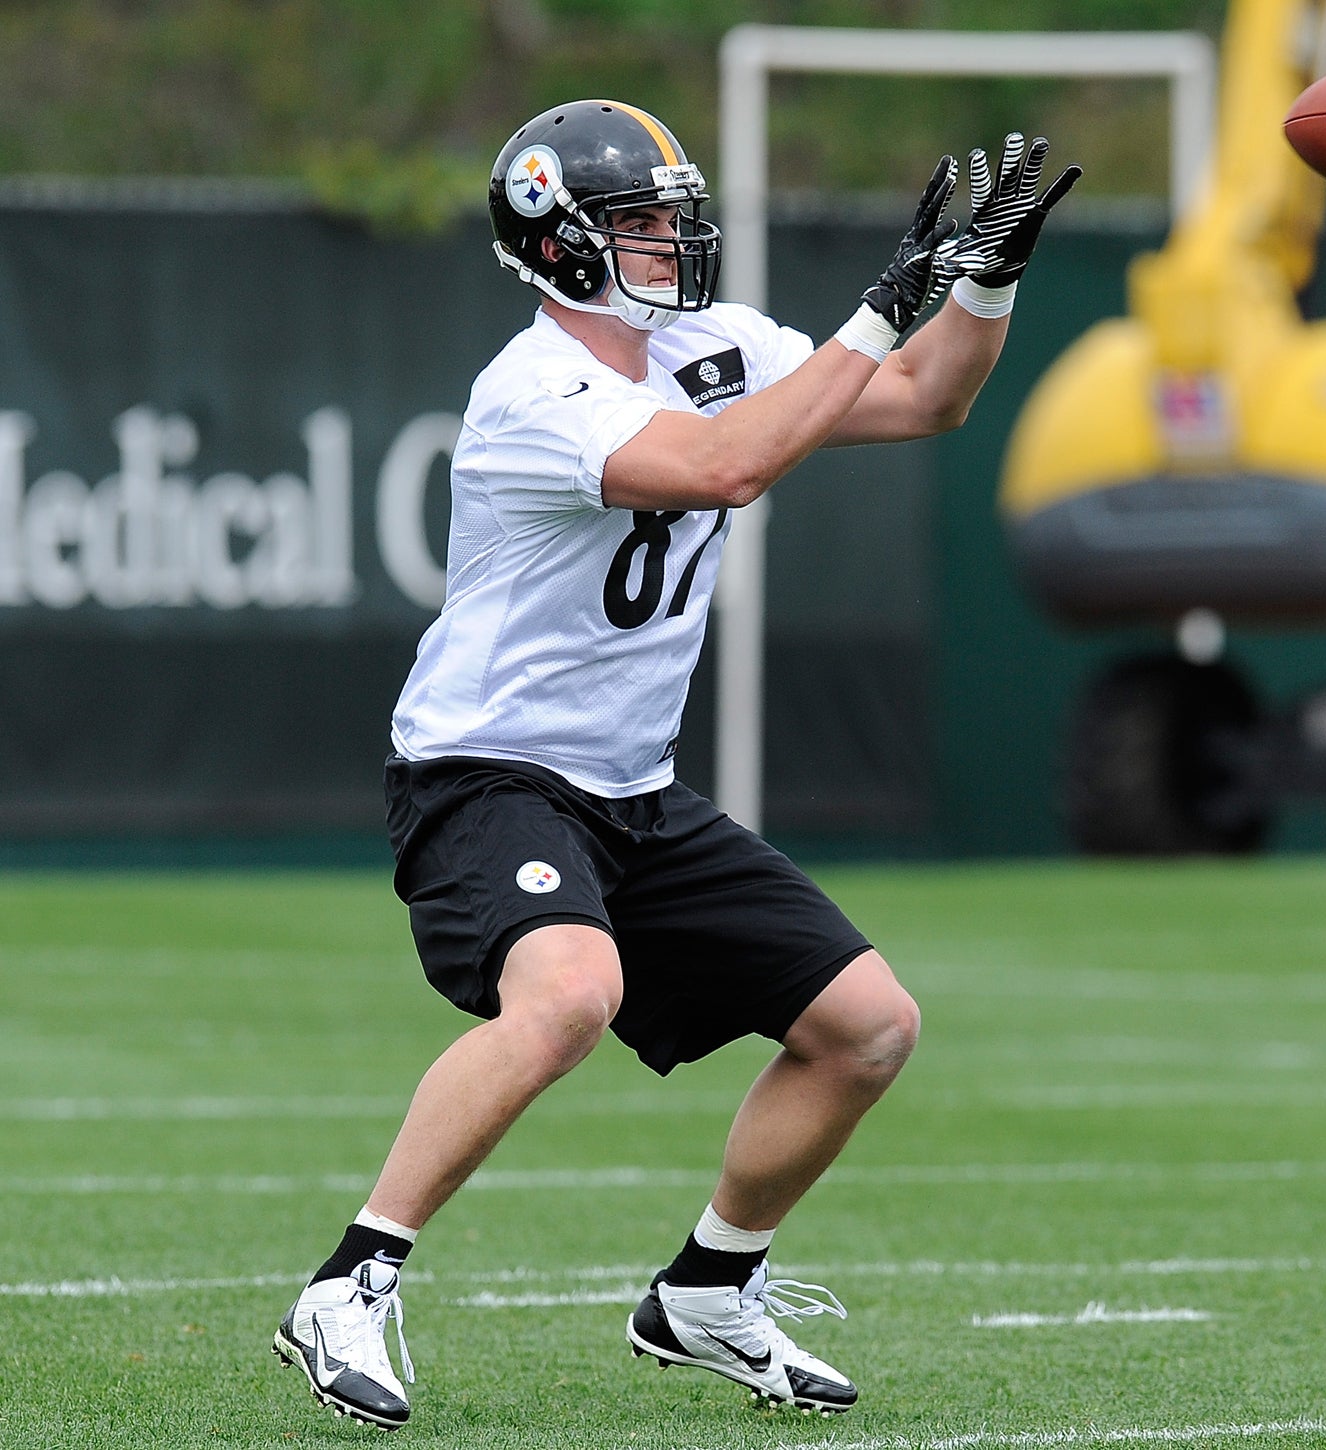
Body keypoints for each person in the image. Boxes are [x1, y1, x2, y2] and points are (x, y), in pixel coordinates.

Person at [270, 98, 1078, 1430]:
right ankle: (352, 1281)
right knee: (571, 990)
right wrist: (878, 307)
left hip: (631, 784)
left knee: (867, 1028)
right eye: (638, 220)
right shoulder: (530, 388)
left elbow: (931, 396)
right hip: (491, 769)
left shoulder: (720, 343)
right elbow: (726, 467)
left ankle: (708, 1287)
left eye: (667, 212)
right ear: (561, 244)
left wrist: (986, 281)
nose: (669, 237)